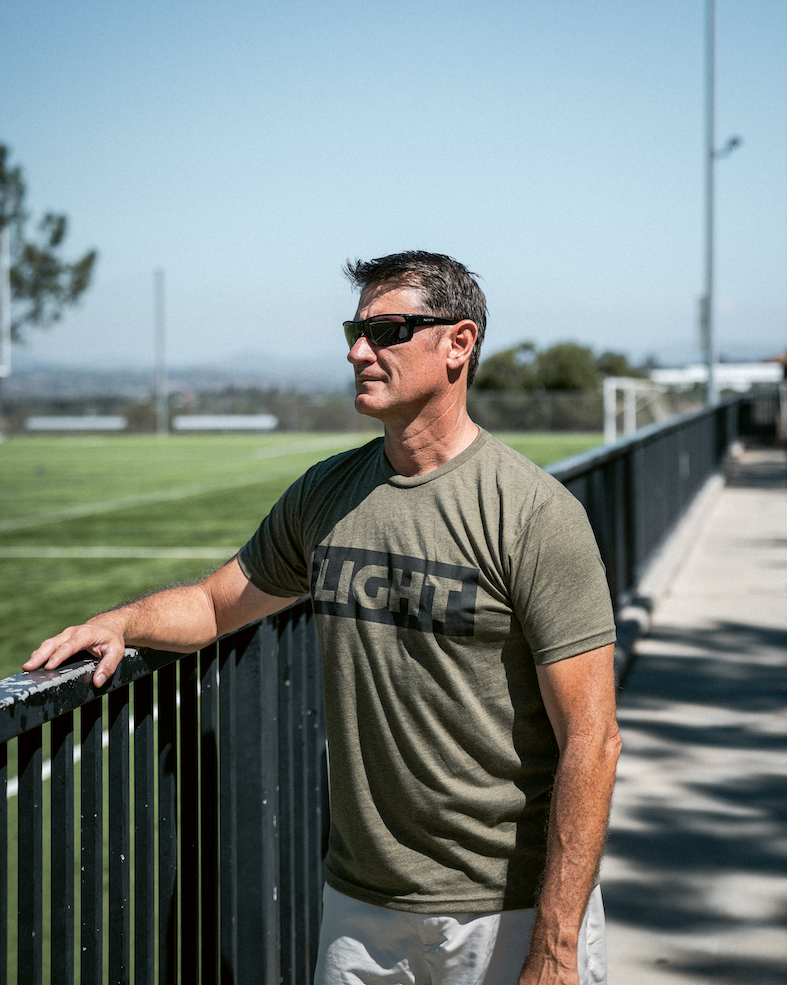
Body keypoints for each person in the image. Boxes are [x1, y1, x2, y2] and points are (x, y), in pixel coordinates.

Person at [26, 251, 621, 985]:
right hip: (361, 907)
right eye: (355, 329)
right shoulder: (326, 494)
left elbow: (591, 740)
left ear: (459, 344)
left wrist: (556, 946)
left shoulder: (533, 514)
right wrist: (119, 622)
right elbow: (218, 602)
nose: (356, 350)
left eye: (388, 330)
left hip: (504, 908)